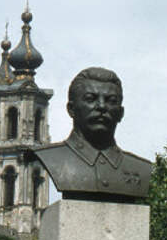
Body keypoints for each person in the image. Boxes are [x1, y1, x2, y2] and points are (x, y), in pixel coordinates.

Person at [32, 67, 151, 197]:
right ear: (71, 109)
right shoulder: (51, 157)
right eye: (90, 99)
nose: (101, 106)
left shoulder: (142, 169)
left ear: (121, 113)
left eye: (111, 101)